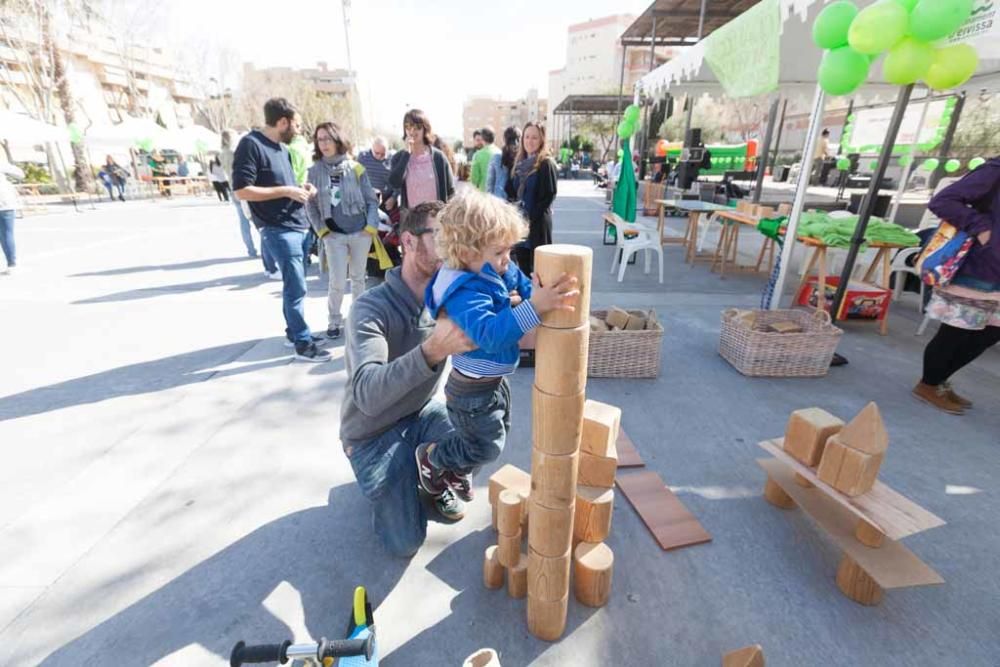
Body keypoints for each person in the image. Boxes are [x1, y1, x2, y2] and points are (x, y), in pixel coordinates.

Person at [418, 192, 578, 502]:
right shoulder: (463, 291)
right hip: (470, 394)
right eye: (500, 251)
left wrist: (542, 296)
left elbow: (523, 285)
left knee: (498, 433)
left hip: (494, 383)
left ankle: (458, 470)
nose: (508, 259)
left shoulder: (495, 267)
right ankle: (433, 457)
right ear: (466, 251)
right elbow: (489, 335)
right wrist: (533, 307)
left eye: (510, 250)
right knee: (486, 447)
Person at [341, 201, 476, 556]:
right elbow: (367, 394)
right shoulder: (370, 308)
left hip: (419, 414)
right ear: (409, 242)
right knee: (405, 542)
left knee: (477, 433)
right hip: (370, 436)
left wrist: (530, 303)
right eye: (441, 236)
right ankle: (389, 489)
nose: (452, 246)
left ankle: (430, 471)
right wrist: (431, 350)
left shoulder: (447, 298)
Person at [232, 97, 331, 362]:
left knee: (295, 285)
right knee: (296, 287)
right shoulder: (250, 145)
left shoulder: (282, 149)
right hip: (277, 229)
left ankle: (295, 332)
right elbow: (242, 190)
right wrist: (287, 190)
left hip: (296, 224)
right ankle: (302, 343)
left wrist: (301, 188)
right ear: (283, 122)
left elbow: (284, 183)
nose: (299, 131)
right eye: (297, 125)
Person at [913, 157, 1000, 414]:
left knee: (990, 333)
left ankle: (938, 380)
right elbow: (943, 200)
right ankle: (929, 383)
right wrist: (983, 229)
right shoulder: (995, 170)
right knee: (957, 331)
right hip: (980, 269)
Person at [305, 121, 379, 340]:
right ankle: (334, 320)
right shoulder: (314, 171)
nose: (324, 143)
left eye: (328, 138)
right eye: (320, 139)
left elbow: (371, 201)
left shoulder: (356, 168)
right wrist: (322, 231)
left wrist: (371, 227)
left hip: (360, 232)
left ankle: (357, 319)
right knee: (336, 281)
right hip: (333, 235)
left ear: (338, 140)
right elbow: (310, 203)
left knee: (358, 279)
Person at [505, 121, 557, 275]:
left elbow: (549, 195)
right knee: (523, 270)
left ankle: (539, 300)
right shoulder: (519, 163)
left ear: (542, 140)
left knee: (540, 273)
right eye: (526, 137)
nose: (529, 141)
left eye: (534, 137)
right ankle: (526, 299)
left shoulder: (546, 163)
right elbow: (510, 191)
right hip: (520, 226)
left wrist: (529, 219)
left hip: (537, 226)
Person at [221, 131, 276, 275]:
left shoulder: (222, 153)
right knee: (261, 225)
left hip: (233, 190)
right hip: (245, 190)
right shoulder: (236, 152)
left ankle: (251, 249)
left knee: (243, 222)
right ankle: (269, 261)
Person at [388, 109, 455, 212]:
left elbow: (451, 190)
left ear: (425, 129)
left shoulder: (438, 157)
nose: (412, 131)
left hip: (435, 219)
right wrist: (406, 153)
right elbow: (394, 183)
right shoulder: (398, 157)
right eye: (408, 127)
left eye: (417, 127)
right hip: (410, 221)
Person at [0, 160, 24, 275]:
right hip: (5, 203)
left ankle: (12, 264)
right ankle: (12, 264)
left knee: (5, 234)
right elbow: (20, 174)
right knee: (7, 234)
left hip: (5, 202)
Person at [486, 125, 519, 200]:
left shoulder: (523, 159)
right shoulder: (497, 159)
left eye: (517, 139)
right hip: (500, 204)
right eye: (511, 139)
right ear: (505, 141)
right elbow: (489, 186)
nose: (515, 143)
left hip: (518, 205)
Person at [470, 126, 500, 192]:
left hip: (483, 196)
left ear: (482, 138)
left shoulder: (477, 155)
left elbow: (474, 180)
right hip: (498, 196)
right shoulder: (500, 152)